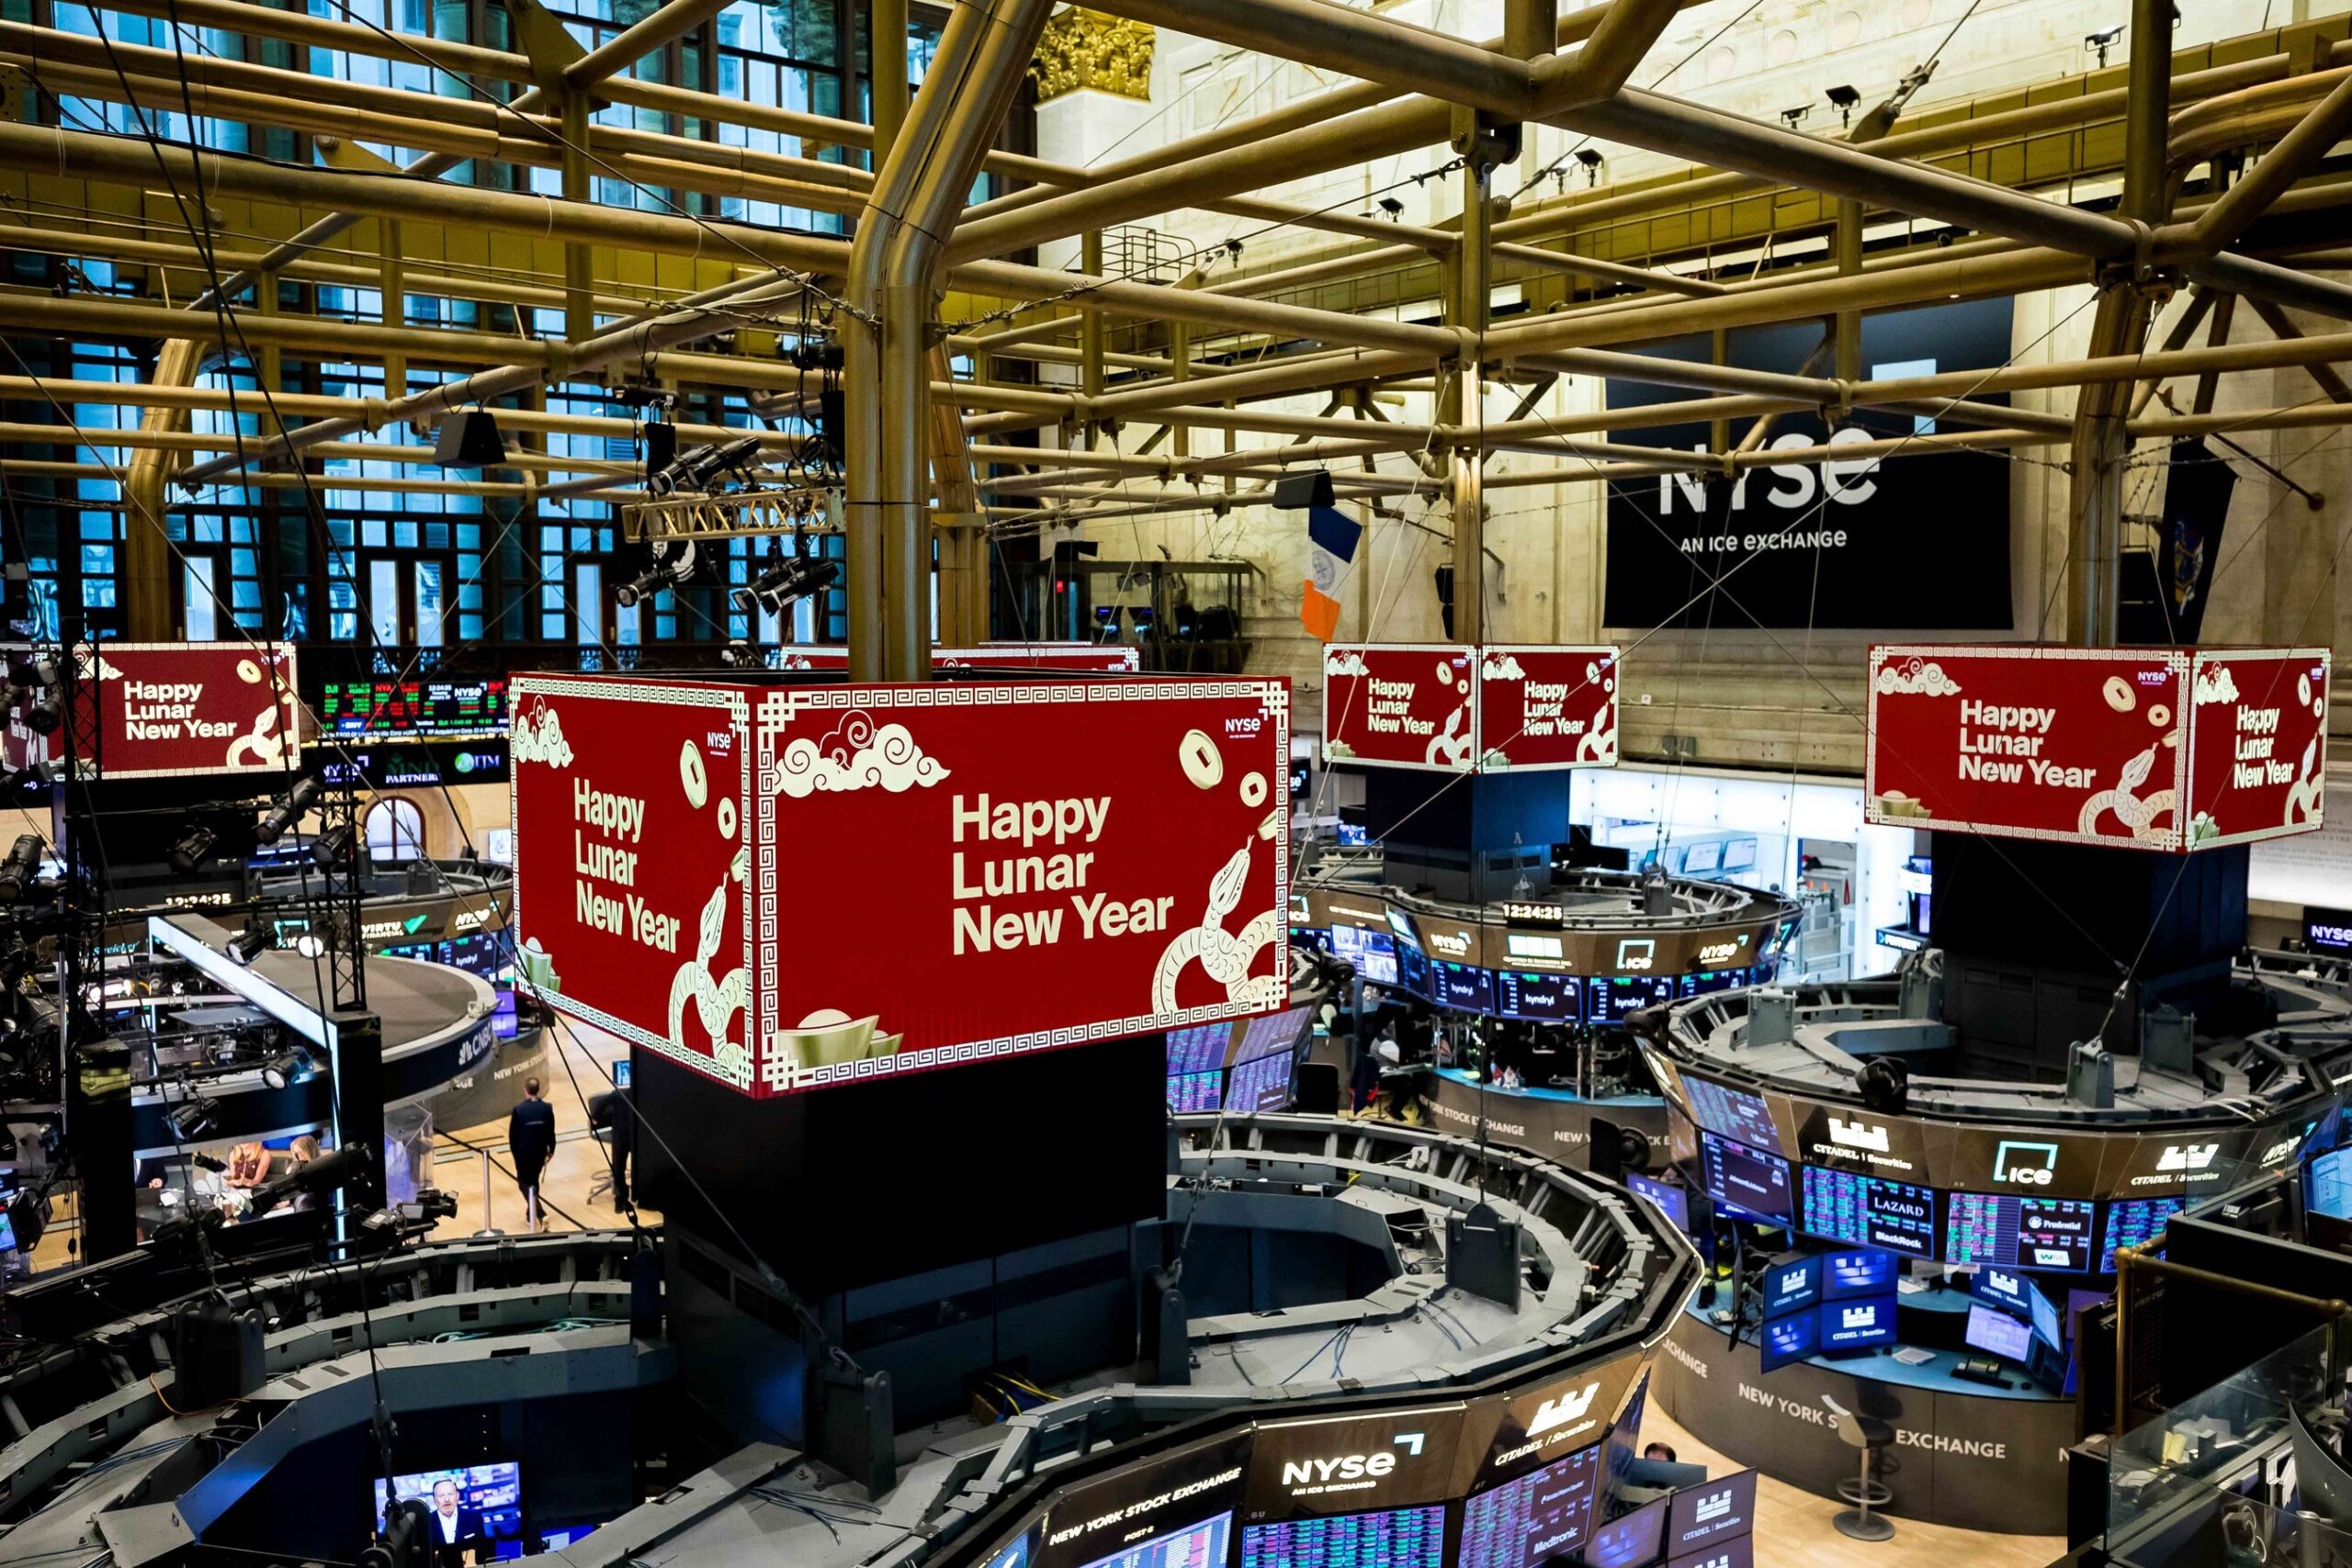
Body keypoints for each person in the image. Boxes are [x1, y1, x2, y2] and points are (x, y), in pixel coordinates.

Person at [507, 1078, 556, 1232]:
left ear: (525, 1090)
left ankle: (540, 1214)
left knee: (523, 1184)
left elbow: (512, 1137)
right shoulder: (547, 1108)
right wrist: (551, 1150)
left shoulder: (518, 1110)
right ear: (539, 1089)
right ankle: (530, 1214)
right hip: (540, 1152)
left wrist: (515, 1155)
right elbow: (551, 1132)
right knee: (533, 1182)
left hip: (523, 1153)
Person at [423, 1477, 485, 1566]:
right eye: (441, 1495)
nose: (446, 1499)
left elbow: (484, 1550)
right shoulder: (426, 1523)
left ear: (457, 1496)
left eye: (450, 1494)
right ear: (434, 1499)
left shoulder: (474, 1517)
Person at [589, 1086, 633, 1211]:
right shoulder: (642, 1094)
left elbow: (600, 1106)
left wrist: (596, 1118)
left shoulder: (618, 1094)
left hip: (620, 1136)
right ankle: (640, 1197)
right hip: (636, 1137)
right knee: (639, 1167)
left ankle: (620, 1200)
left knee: (618, 1168)